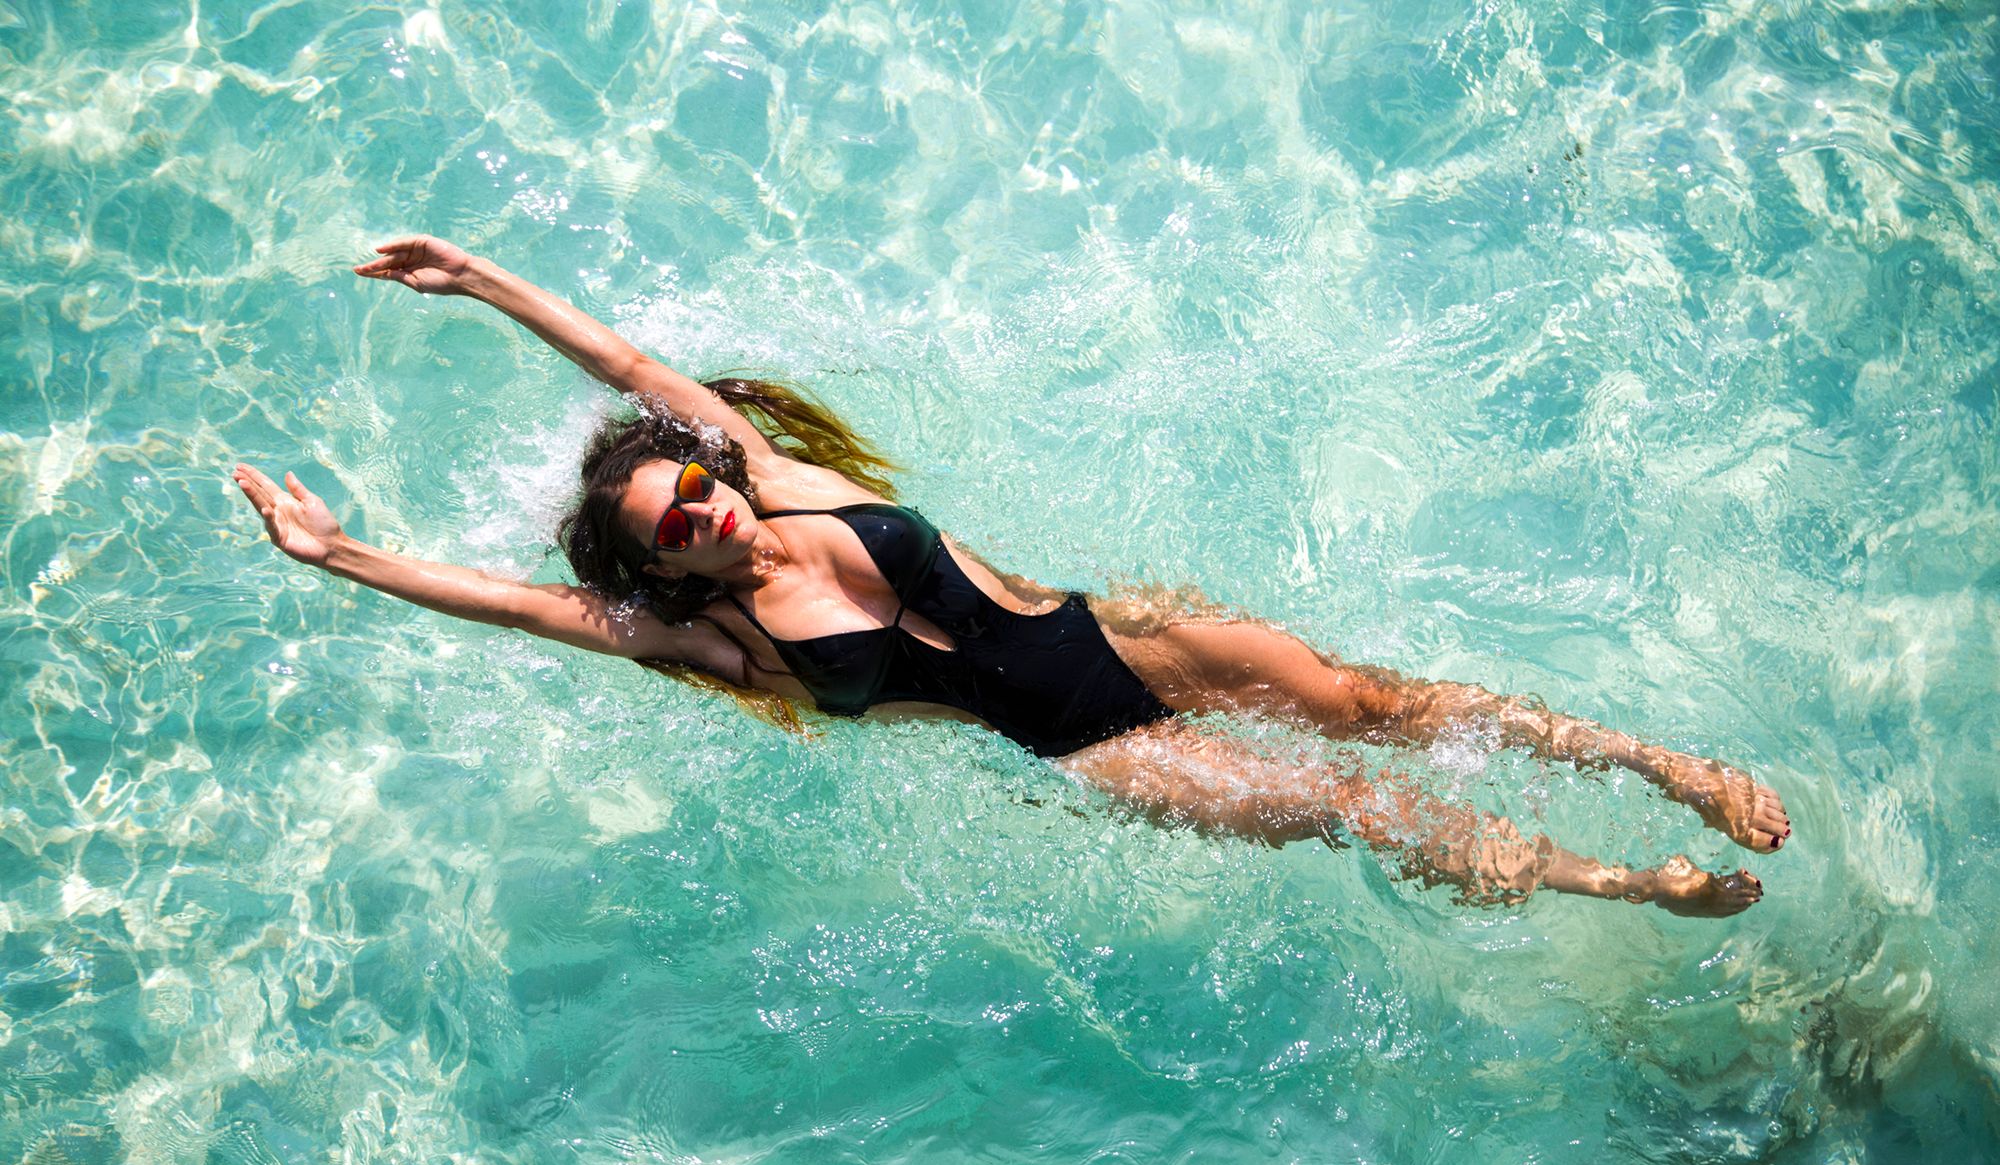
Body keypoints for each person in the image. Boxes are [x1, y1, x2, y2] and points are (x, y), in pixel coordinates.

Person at [230, 236, 1791, 918]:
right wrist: (343, 555)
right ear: (660, 572)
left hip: (1125, 628)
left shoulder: (773, 472)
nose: (701, 508)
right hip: (1103, 749)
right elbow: (525, 606)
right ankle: (1618, 886)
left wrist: (480, 279)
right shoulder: (726, 653)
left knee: (1379, 703)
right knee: (1350, 805)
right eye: (671, 527)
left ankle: (1660, 763)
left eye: (691, 482)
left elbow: (632, 357)